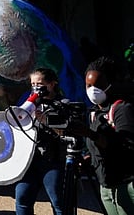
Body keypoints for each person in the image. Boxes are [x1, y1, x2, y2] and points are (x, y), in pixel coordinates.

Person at [72, 57, 134, 215]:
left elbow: (123, 146)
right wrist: (88, 160)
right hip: (105, 186)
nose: (93, 90)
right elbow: (99, 149)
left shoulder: (122, 109)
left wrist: (90, 134)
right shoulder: (94, 113)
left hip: (126, 184)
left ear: (110, 83)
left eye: (98, 85)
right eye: (89, 85)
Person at [14, 67, 65, 215]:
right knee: (22, 198)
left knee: (58, 202)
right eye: (33, 84)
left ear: (52, 84)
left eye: (40, 84)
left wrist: (45, 120)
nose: (36, 88)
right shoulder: (31, 103)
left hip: (53, 160)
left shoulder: (62, 104)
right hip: (30, 160)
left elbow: (66, 133)